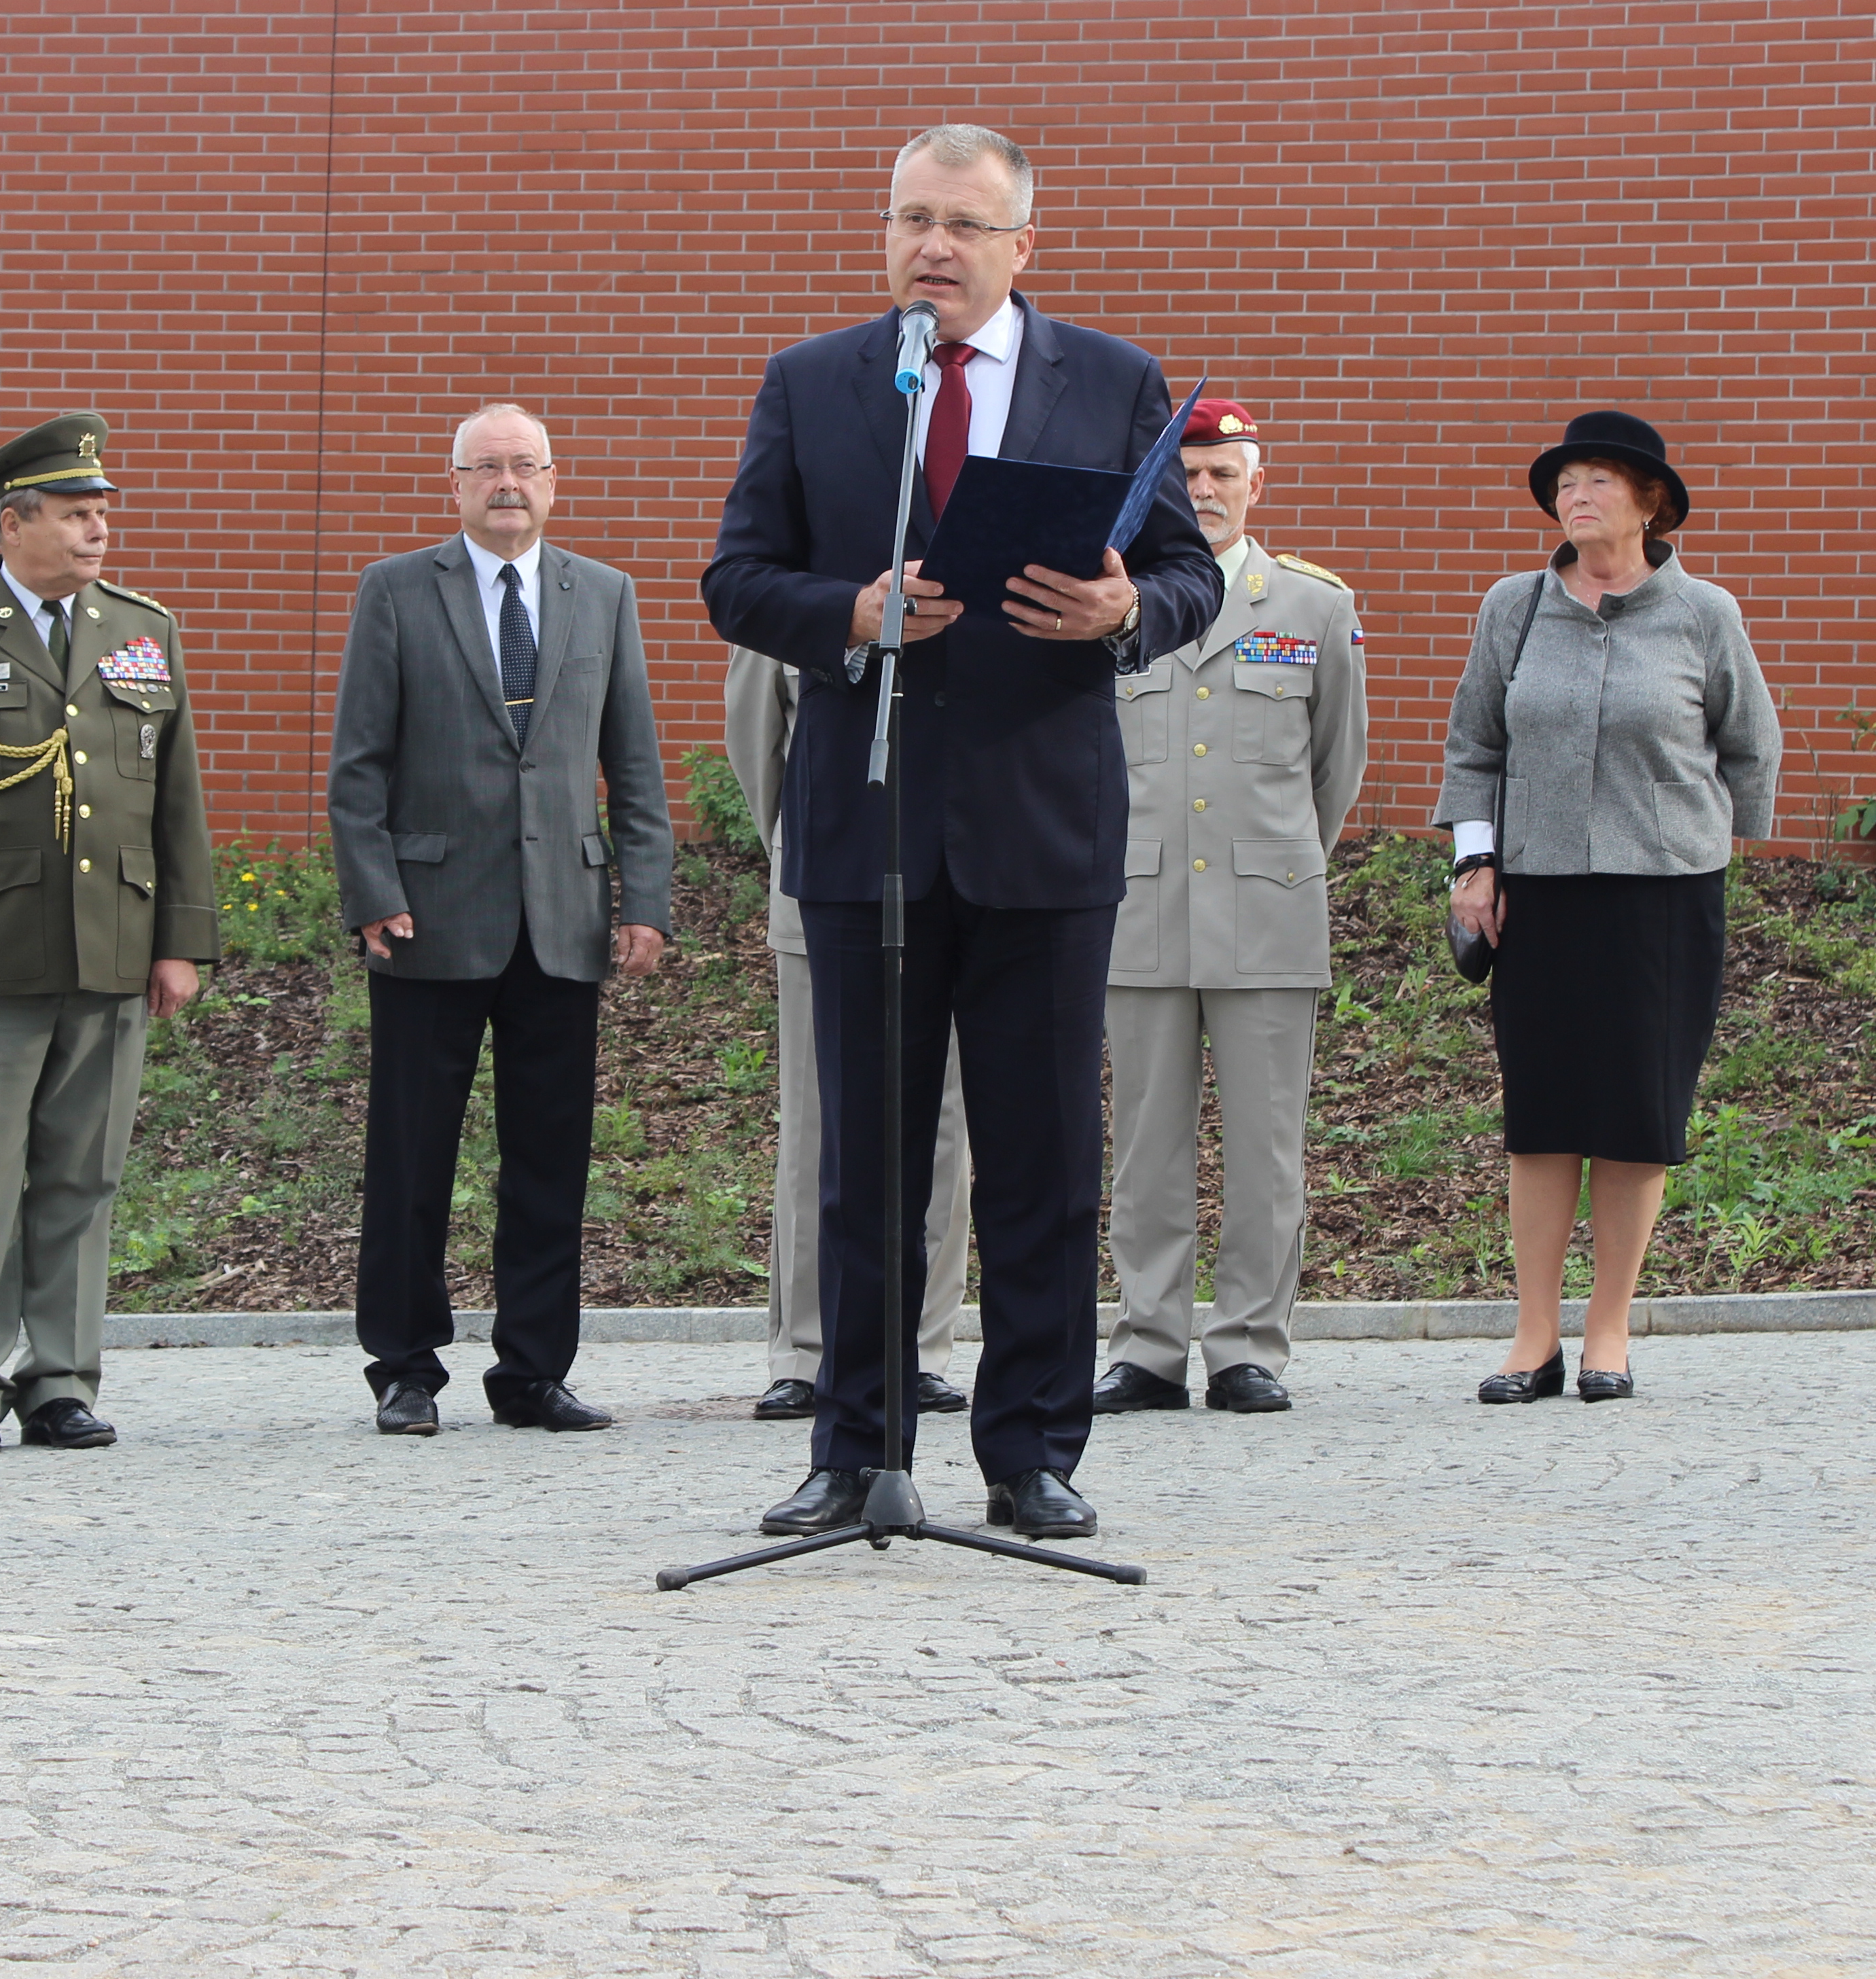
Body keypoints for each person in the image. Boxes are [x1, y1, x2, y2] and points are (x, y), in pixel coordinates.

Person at [702, 122, 1224, 1542]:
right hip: (864, 826)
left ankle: (1033, 1454)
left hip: (1043, 833)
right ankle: (853, 1444)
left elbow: (1186, 575)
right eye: (910, 218)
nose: (930, 244)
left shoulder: (1109, 380)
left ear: (1019, 250)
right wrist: (851, 616)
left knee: (1042, 1157)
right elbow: (738, 579)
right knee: (865, 1160)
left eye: (962, 224)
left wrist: (1129, 613)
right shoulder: (815, 384)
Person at [0, 412, 216, 1457]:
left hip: (111, 944)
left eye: (102, 513)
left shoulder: (142, 630)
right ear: (12, 524)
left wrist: (180, 941)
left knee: (84, 1175)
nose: (96, 531)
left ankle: (59, 1376)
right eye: (73, 514)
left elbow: (177, 800)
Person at [328, 403, 675, 1436]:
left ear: (554, 480)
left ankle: (532, 1370)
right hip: (428, 918)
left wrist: (645, 901)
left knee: (550, 1159)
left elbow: (638, 765)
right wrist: (373, 888)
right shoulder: (395, 591)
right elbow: (358, 771)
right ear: (456, 485)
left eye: (525, 467)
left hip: (563, 919)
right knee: (411, 1155)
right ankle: (403, 1366)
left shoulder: (604, 595)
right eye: (487, 469)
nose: (508, 484)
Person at [1439, 409, 1781, 1405]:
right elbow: (1474, 744)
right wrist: (1475, 862)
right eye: (1563, 483)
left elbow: (1750, 745)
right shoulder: (1514, 606)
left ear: (1649, 502)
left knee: (1636, 1117)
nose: (1572, 496)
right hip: (1537, 891)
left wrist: (1706, 843)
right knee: (1542, 1116)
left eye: (1595, 481)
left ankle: (1609, 1332)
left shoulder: (1704, 612)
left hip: (1663, 900)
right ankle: (1532, 1336)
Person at [1095, 402, 1370, 1419]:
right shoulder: (1113, 595)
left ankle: (1250, 1344)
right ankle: (1149, 1344)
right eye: (1190, 475)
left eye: (1224, 474)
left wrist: (1279, 860)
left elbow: (1335, 771)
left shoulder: (1308, 606)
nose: (1205, 491)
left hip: (1267, 911)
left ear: (1259, 485)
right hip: (1138, 904)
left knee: (1266, 1150)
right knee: (1144, 1146)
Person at [721, 645, 968, 1425]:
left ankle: (922, 1349)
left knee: (942, 1129)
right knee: (820, 1130)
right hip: (827, 892)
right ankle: (808, 1350)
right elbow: (756, 746)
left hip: (954, 891)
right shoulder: (795, 583)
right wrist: (811, 852)